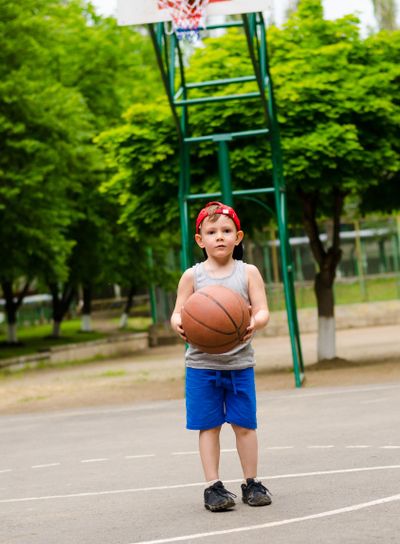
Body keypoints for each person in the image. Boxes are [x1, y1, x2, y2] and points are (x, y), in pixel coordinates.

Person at [170, 201, 272, 512]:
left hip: (239, 363)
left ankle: (251, 482)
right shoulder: (192, 276)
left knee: (244, 425)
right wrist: (179, 324)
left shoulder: (248, 272)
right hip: (201, 366)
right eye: (211, 232)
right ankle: (212, 487)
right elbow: (176, 313)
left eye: (226, 231)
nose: (219, 237)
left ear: (238, 237)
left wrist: (256, 321)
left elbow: (264, 309)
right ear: (200, 240)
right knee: (209, 426)